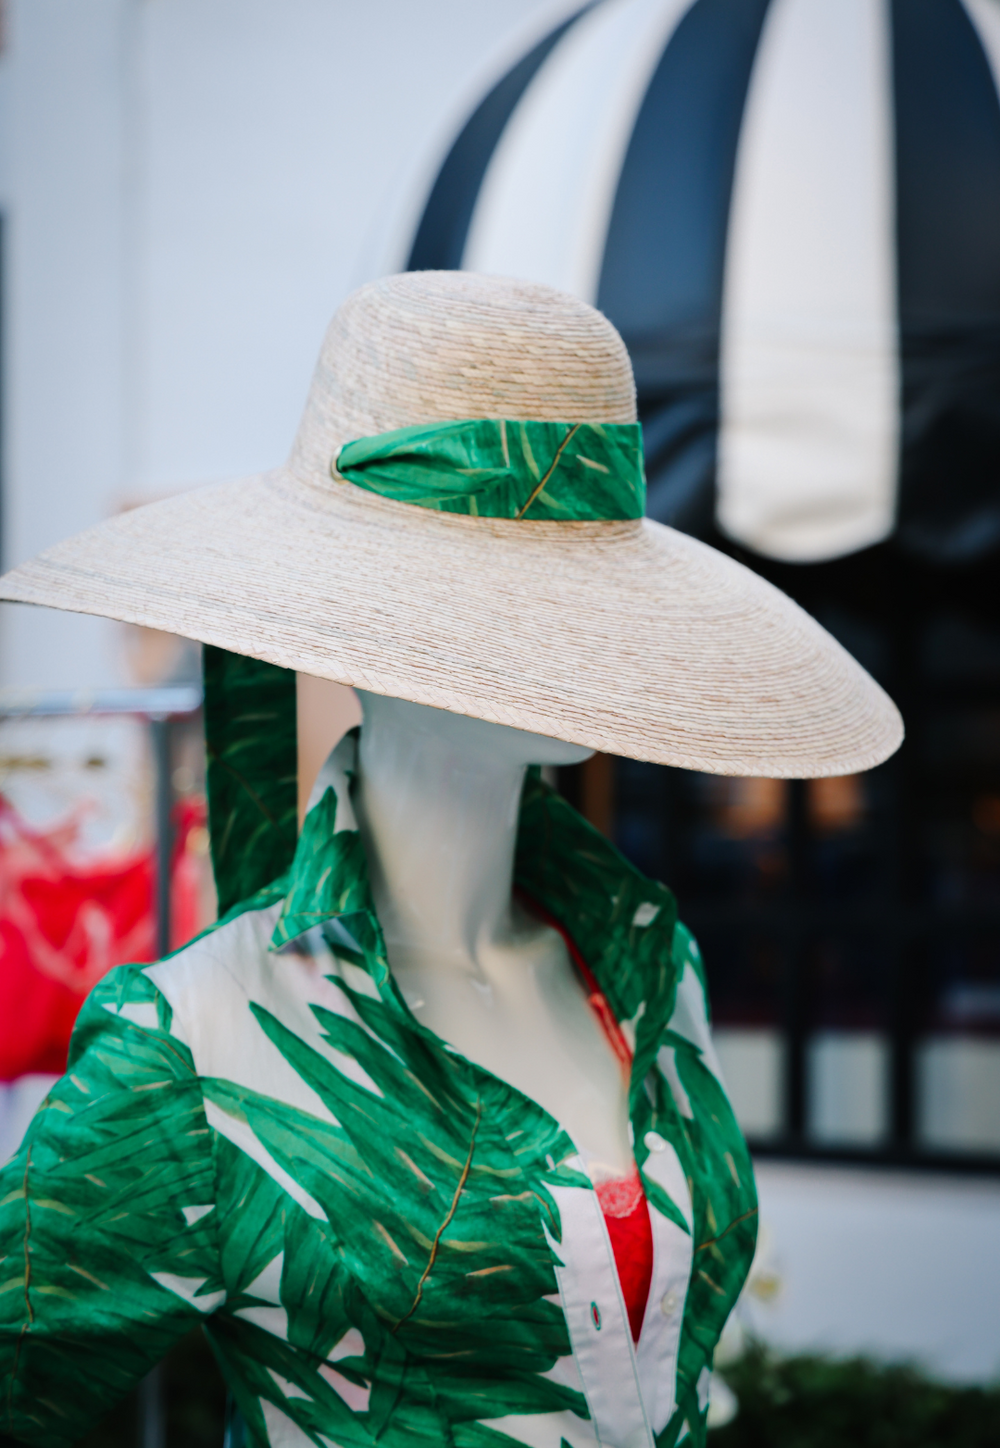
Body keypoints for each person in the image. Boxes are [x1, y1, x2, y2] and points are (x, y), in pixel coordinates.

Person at [0, 272, 901, 1447]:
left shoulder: (648, 965)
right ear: (360, 633)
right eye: (523, 600)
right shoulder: (196, 1040)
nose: (587, 644)